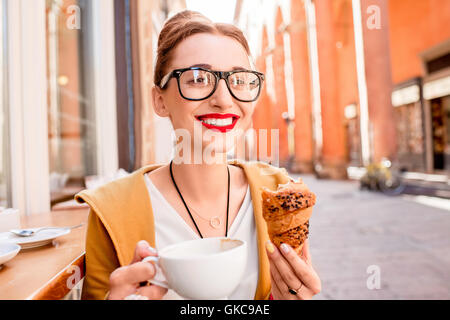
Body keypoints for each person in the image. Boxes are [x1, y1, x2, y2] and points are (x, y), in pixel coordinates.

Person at [75, 10, 321, 300]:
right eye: (197, 78)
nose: (224, 100)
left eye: (240, 80)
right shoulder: (111, 210)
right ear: (159, 101)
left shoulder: (279, 192)